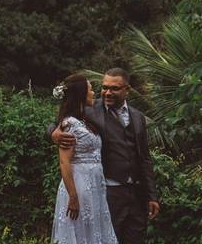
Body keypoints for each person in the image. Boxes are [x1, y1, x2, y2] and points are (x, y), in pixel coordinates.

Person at [49, 68, 160, 244]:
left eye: (114, 88)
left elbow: (144, 158)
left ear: (127, 89)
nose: (107, 92)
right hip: (108, 192)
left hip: (136, 194)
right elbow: (61, 122)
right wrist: (53, 134)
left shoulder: (138, 117)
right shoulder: (90, 109)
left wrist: (151, 195)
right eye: (104, 87)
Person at [50, 73, 118, 244]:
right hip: (79, 186)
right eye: (90, 89)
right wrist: (73, 196)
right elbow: (64, 162)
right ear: (81, 94)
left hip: (95, 185)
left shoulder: (85, 120)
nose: (94, 93)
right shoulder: (69, 124)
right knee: (80, 232)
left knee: (94, 231)